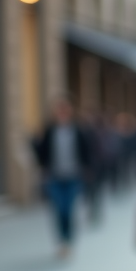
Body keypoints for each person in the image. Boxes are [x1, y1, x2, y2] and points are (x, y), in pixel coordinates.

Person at [32, 96, 93, 258]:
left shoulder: (78, 130)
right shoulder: (49, 130)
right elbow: (41, 153)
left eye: (65, 110)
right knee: (59, 209)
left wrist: (87, 169)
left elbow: (87, 151)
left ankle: (69, 241)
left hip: (73, 176)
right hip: (55, 177)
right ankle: (62, 241)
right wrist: (35, 142)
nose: (62, 113)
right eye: (59, 110)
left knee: (69, 209)